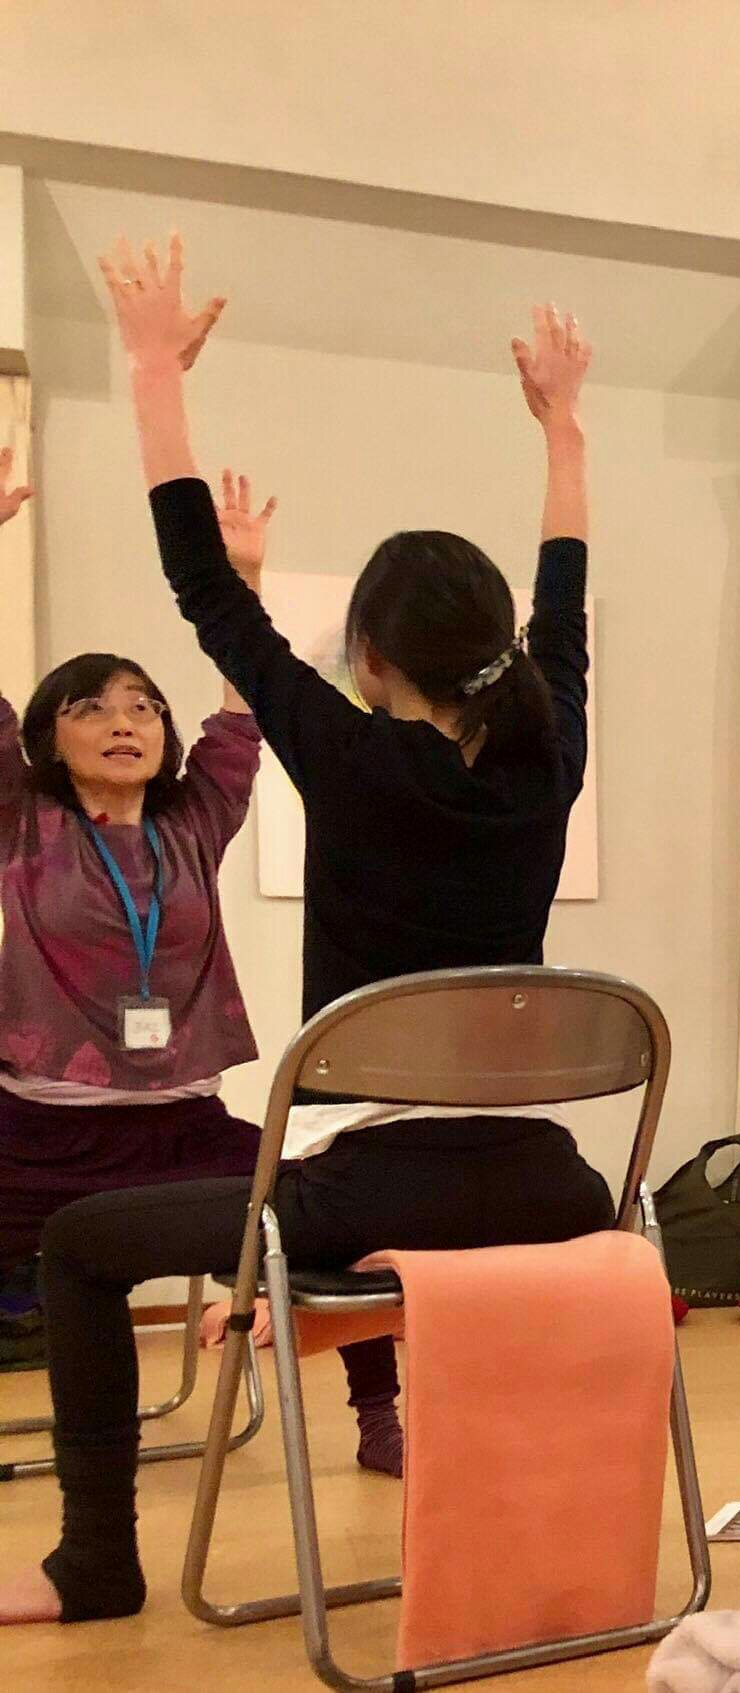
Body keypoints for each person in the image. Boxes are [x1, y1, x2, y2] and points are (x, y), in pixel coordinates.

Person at [0, 235, 611, 1626]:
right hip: (551, 1183)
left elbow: (204, 591)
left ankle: (96, 1564)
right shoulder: (550, 759)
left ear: (369, 662)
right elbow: (567, 597)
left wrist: (153, 371)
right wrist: (562, 425)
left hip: (377, 1191)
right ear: (501, 652)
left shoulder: (349, 756)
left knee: (80, 1247)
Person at [0, 455, 404, 1470]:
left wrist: (243, 580)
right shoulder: (22, 818)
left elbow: (240, 715)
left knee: (332, 1216)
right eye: (92, 707)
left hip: (180, 1128)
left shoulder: (195, 819)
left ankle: (379, 1421)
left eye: (142, 706)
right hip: (35, 1131)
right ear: (48, 737)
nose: (124, 721)